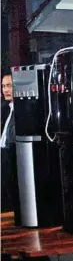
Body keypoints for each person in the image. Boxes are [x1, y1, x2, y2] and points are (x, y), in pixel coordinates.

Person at [1, 70, 15, 212]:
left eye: (9, 86)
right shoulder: (4, 109)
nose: (6, 90)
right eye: (3, 86)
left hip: (9, 156)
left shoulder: (22, 111)